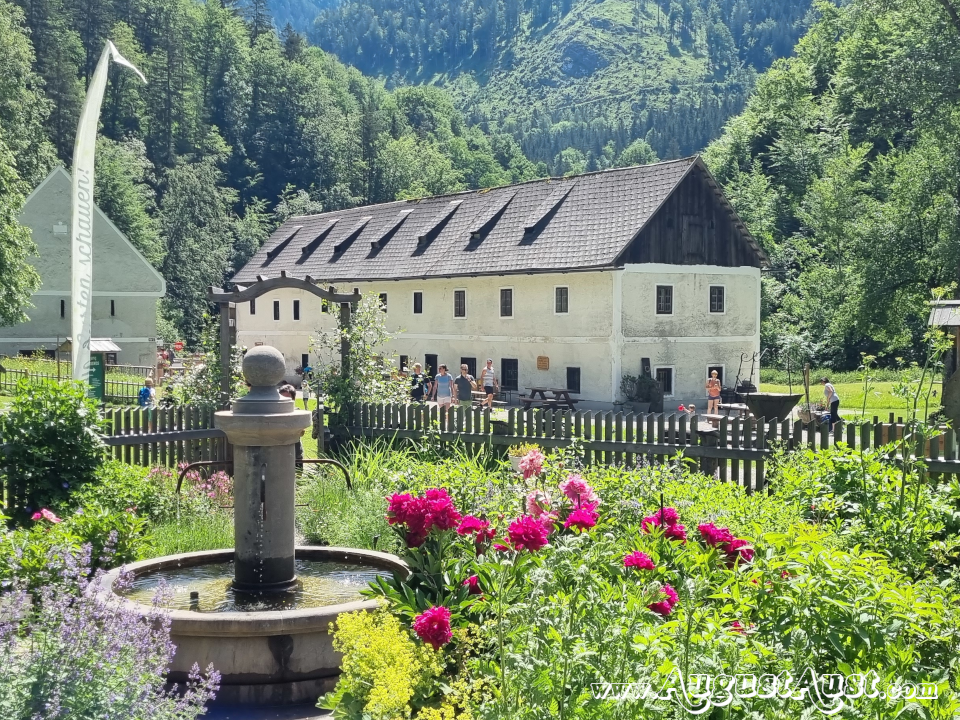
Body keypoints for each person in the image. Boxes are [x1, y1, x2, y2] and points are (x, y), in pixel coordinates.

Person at [279, 384, 305, 462]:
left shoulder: (297, 412)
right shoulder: (275, 413)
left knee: (298, 473)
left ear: (293, 399)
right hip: (278, 454)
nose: (284, 402)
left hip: (296, 453)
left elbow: (302, 432)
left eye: (287, 399)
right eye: (282, 399)